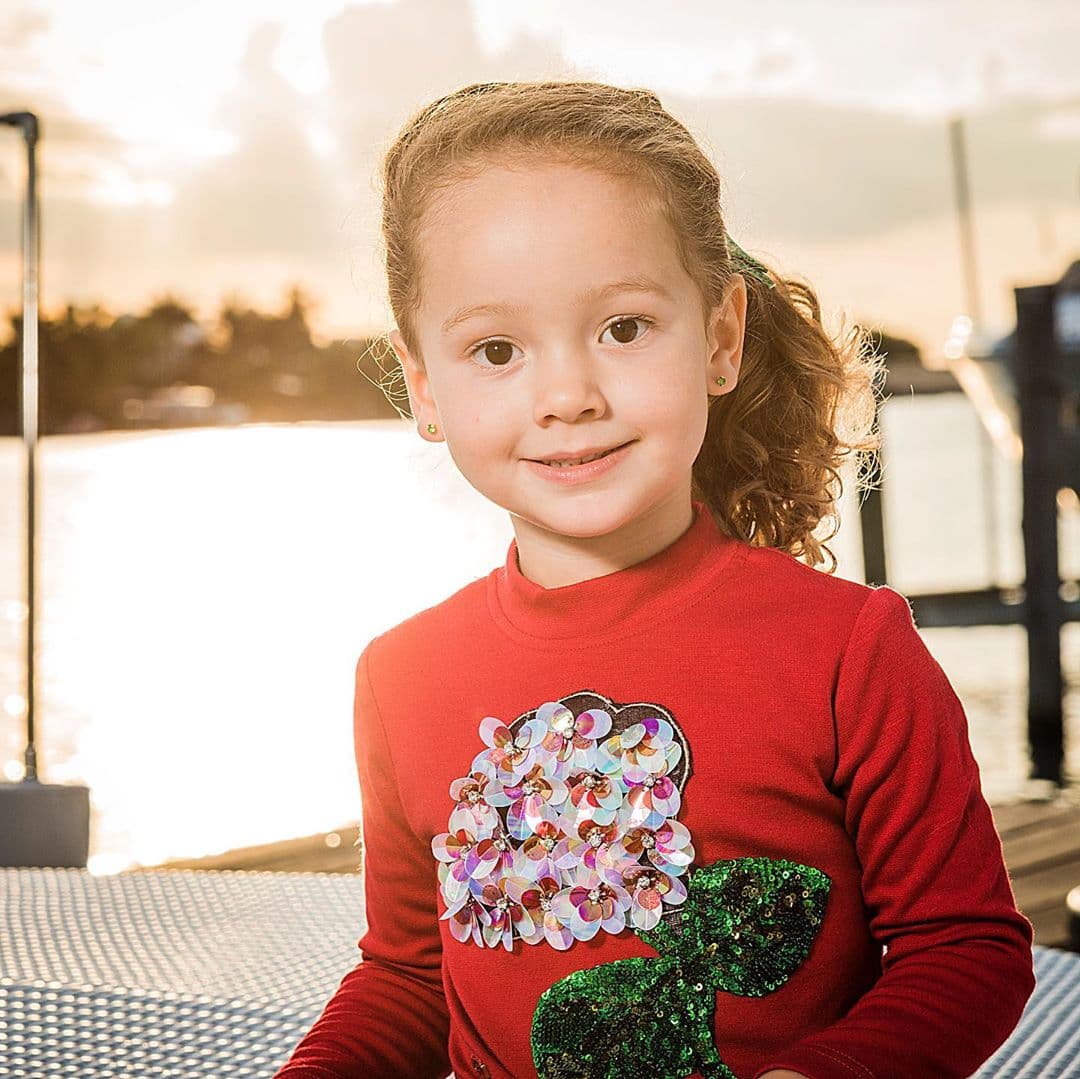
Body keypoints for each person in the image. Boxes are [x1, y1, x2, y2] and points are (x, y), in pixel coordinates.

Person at [274, 80, 1035, 1079]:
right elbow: (410, 977)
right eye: (496, 349)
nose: (567, 397)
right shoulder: (399, 674)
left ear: (719, 338)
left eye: (623, 328)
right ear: (425, 385)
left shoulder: (850, 650)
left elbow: (965, 949)